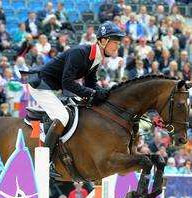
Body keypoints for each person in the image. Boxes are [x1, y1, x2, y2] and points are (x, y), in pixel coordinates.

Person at [26, 21, 124, 172]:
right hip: (41, 86)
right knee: (63, 116)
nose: (118, 46)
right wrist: (92, 93)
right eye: (115, 43)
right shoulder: (80, 53)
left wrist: (104, 93)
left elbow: (91, 82)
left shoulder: (96, 58)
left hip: (54, 88)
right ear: (103, 41)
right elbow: (67, 82)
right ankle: (46, 160)